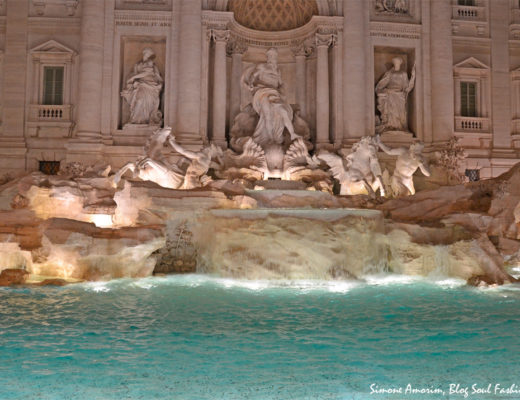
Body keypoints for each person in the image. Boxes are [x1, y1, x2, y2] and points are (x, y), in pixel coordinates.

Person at [241, 48, 300, 148]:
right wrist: (251, 84)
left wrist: (283, 91)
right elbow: (253, 76)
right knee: (267, 115)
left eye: (275, 56)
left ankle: (292, 133)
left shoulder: (277, 70)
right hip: (262, 93)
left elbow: (280, 83)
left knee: (283, 111)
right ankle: (270, 139)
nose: (273, 58)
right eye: (271, 56)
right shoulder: (262, 66)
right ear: (268, 57)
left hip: (275, 94)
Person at [121, 47, 163, 125]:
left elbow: (147, 73)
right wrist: (133, 80)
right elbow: (135, 73)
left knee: (145, 102)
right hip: (141, 85)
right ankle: (136, 120)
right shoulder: (137, 64)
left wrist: (134, 77)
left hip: (150, 85)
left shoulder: (150, 62)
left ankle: (144, 120)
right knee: (139, 100)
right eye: (148, 53)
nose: (148, 55)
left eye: (149, 54)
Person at [375, 57, 415, 133]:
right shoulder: (389, 73)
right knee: (391, 111)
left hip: (399, 95)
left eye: (398, 62)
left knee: (399, 112)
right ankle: (390, 126)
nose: (396, 64)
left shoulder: (404, 73)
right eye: (395, 62)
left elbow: (406, 86)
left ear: (400, 63)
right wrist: (384, 90)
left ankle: (399, 127)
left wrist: (413, 77)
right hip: (390, 94)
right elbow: (381, 84)